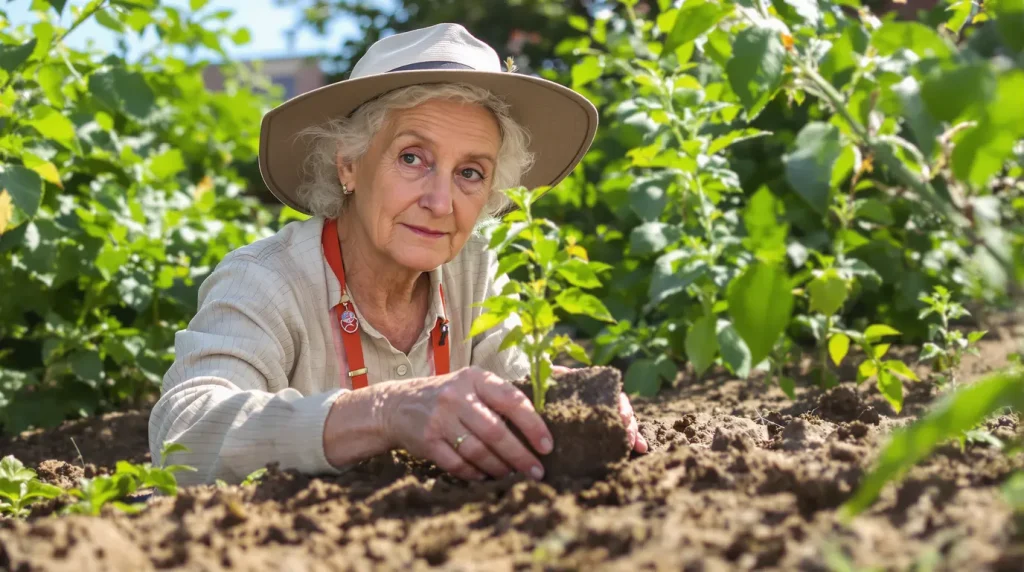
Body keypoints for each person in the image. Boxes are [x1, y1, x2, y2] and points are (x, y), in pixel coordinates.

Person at [148, 23, 647, 486]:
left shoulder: (476, 270)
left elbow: (509, 388)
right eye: (412, 158)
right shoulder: (264, 280)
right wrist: (385, 410)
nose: (440, 202)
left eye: (470, 172)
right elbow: (183, 436)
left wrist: (566, 400)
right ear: (348, 165)